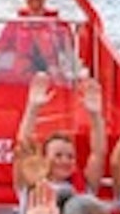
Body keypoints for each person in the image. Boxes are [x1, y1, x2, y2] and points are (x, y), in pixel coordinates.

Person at [12, 72, 107, 202]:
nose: (65, 160)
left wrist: (95, 116)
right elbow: (23, 146)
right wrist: (32, 108)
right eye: (58, 155)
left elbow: (98, 153)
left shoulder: (86, 187)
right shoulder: (29, 184)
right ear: (44, 159)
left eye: (70, 157)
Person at [0, 0, 72, 78]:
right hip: (22, 77)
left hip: (51, 74)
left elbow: (69, 53)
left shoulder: (59, 23)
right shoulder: (15, 23)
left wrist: (69, 72)